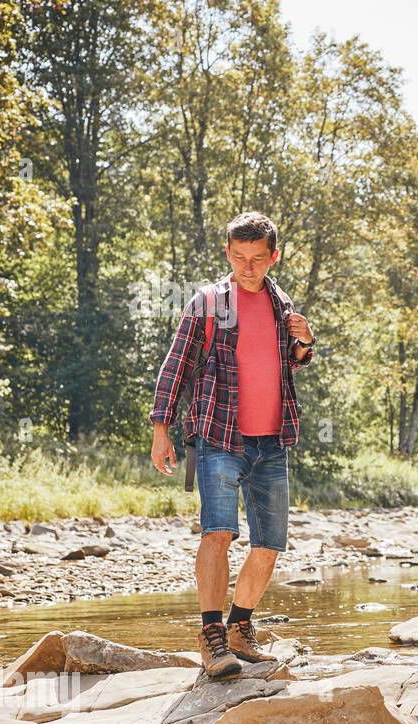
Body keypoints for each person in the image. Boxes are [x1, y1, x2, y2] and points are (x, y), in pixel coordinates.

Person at [149, 211, 316, 678]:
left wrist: (304, 343)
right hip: (219, 437)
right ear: (227, 253)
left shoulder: (282, 303)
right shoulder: (207, 303)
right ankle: (211, 637)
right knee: (218, 533)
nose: (248, 267)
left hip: (272, 440)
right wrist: (161, 428)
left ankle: (240, 628)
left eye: (257, 258)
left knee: (269, 544)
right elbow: (175, 366)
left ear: (273, 257)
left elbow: (290, 362)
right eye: (239, 257)